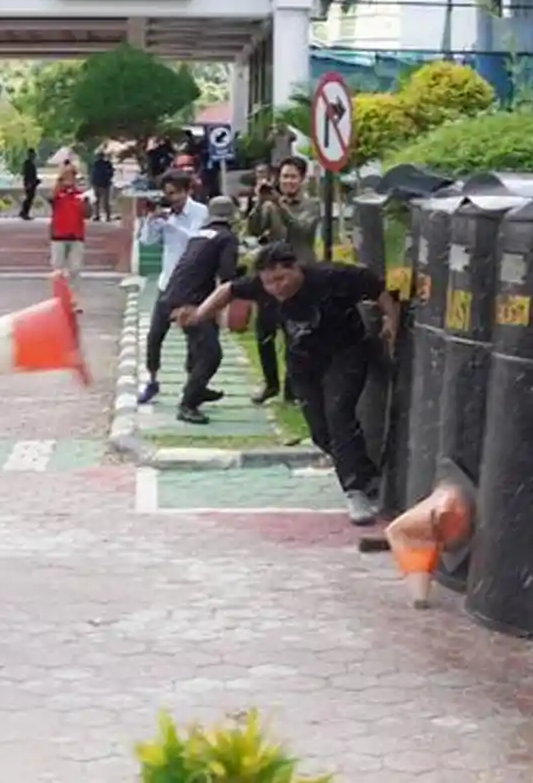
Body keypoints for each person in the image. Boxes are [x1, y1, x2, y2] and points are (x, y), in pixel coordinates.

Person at [184, 243, 400, 527]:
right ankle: (368, 477)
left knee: (339, 416)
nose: (276, 288)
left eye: (282, 279)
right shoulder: (261, 286)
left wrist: (391, 319)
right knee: (321, 432)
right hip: (303, 361)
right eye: (269, 283)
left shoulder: (330, 277)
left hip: (346, 353)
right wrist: (199, 315)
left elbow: (376, 288)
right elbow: (228, 291)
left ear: (295, 268)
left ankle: (355, 490)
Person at [246, 157, 322, 405]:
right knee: (264, 333)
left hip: (300, 275)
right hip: (272, 275)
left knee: (296, 335)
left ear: (301, 179)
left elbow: (301, 230)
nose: (288, 181)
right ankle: (270, 384)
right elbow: (254, 230)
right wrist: (260, 202)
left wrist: (279, 205)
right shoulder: (270, 205)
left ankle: (293, 389)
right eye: (285, 176)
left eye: (293, 177)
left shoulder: (312, 205)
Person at [163, 196, 241, 424]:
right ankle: (187, 404)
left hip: (176, 293)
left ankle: (197, 388)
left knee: (197, 348)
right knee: (211, 354)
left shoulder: (200, 234)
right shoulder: (227, 238)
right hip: (193, 301)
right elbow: (227, 275)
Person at [136, 170, 209, 405]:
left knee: (194, 340)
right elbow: (146, 241)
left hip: (192, 285)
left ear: (187, 191)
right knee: (155, 335)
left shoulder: (200, 212)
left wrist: (172, 224)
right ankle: (152, 380)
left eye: (175, 194)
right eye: (167, 194)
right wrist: (151, 220)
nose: (172, 199)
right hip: (166, 284)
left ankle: (193, 385)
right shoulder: (165, 214)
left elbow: (197, 241)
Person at [49, 165, 90, 301]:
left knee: (75, 269)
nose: (69, 179)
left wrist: (86, 201)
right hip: (59, 235)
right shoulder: (58, 193)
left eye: (71, 175)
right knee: (57, 269)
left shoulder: (79, 195)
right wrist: (60, 181)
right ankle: (58, 298)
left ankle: (74, 299)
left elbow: (87, 213)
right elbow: (51, 197)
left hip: (76, 235)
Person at [89, 151, 115, 222]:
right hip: (101, 184)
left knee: (102, 201)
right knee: (101, 201)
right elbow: (111, 173)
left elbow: (111, 173)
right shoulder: (98, 164)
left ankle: (104, 216)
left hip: (102, 184)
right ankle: (100, 216)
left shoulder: (101, 164)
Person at [20, 149, 39, 220]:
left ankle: (24, 212)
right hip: (29, 183)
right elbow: (26, 174)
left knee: (30, 197)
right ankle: (24, 212)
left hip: (32, 183)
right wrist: (29, 183)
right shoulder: (28, 164)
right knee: (29, 198)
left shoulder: (31, 163)